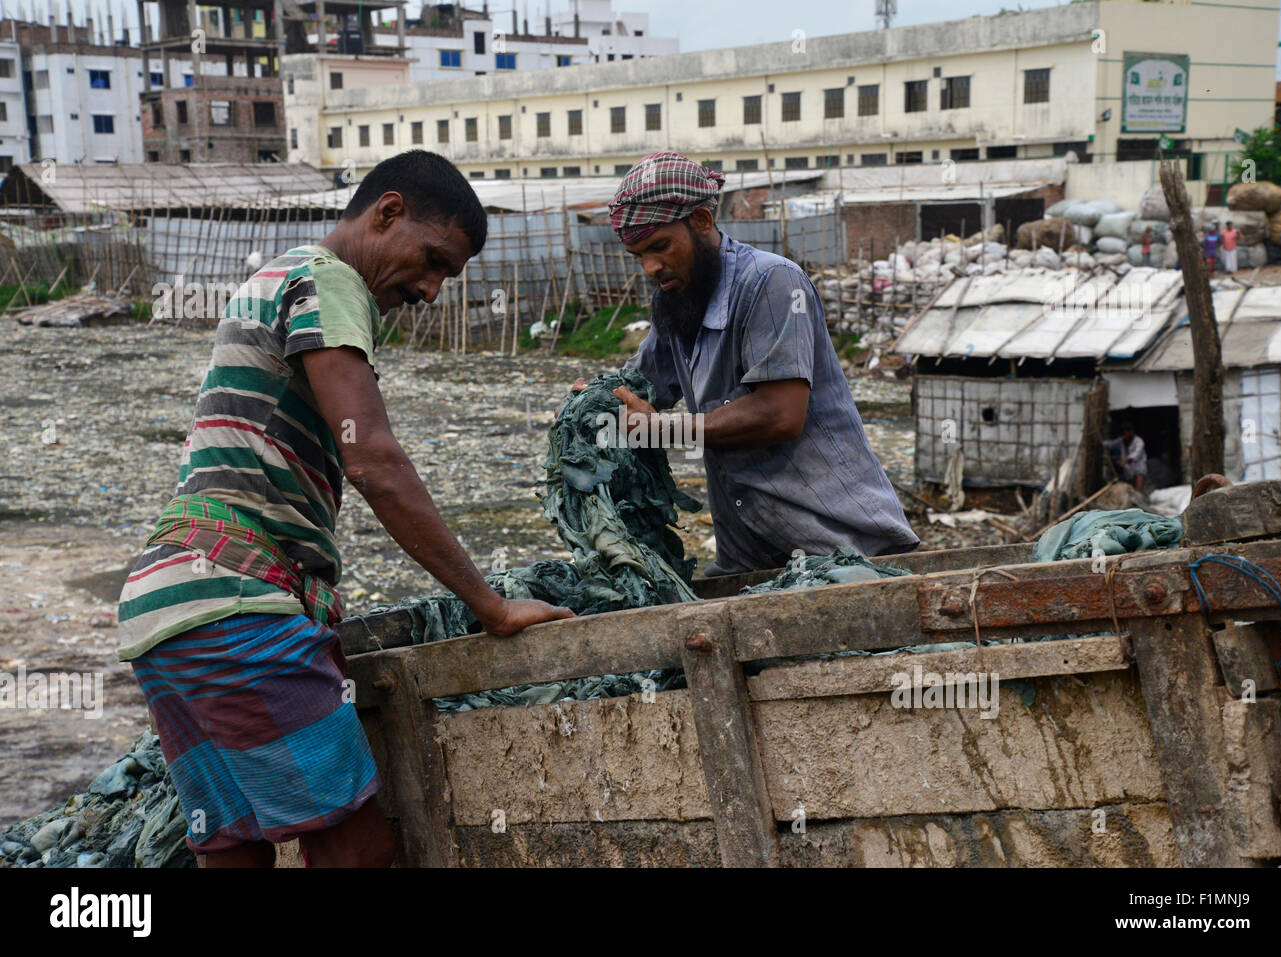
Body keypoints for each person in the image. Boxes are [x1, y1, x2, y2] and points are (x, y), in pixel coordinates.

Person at [116, 151, 574, 868]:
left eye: (447, 278)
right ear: (386, 212)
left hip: (167, 612)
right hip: (237, 605)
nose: (429, 289)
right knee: (355, 849)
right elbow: (373, 461)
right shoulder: (324, 279)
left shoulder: (273, 278)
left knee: (234, 852)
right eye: (432, 260)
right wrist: (491, 604)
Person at [570, 151, 918, 576]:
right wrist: (586, 406)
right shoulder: (678, 295)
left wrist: (663, 431)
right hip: (749, 557)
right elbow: (639, 387)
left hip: (837, 548)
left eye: (660, 247)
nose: (650, 267)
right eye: (638, 255)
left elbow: (779, 414)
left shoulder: (771, 282)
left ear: (700, 221)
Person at [1104, 420, 1148, 492]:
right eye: (1123, 432)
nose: (1125, 434)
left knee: (1138, 491)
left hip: (1139, 470)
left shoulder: (1139, 441)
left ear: (1131, 432)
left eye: (1126, 432)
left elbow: (1136, 454)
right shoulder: (1122, 440)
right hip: (1128, 472)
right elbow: (1111, 444)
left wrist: (1126, 461)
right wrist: (1102, 443)